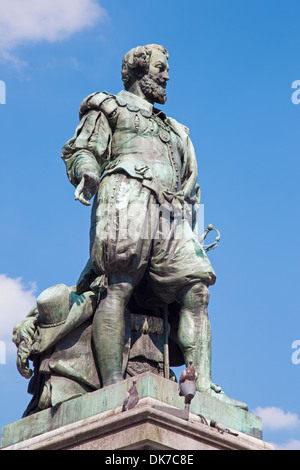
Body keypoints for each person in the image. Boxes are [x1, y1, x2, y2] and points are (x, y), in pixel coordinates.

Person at [61, 44, 245, 408]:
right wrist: (86, 172)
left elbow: (190, 179)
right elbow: (83, 148)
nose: (167, 75)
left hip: (171, 212)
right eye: (160, 68)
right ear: (138, 71)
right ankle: (114, 383)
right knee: (120, 285)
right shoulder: (108, 106)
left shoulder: (175, 129)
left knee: (197, 289)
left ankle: (201, 384)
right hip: (126, 195)